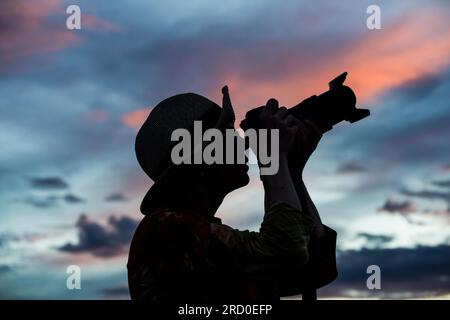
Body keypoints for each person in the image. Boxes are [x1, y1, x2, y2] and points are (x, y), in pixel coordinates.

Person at [127, 87, 337, 301]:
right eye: (228, 132)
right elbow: (285, 248)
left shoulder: (205, 239)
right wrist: (274, 160)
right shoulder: (166, 228)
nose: (243, 142)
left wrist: (291, 172)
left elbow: (311, 270)